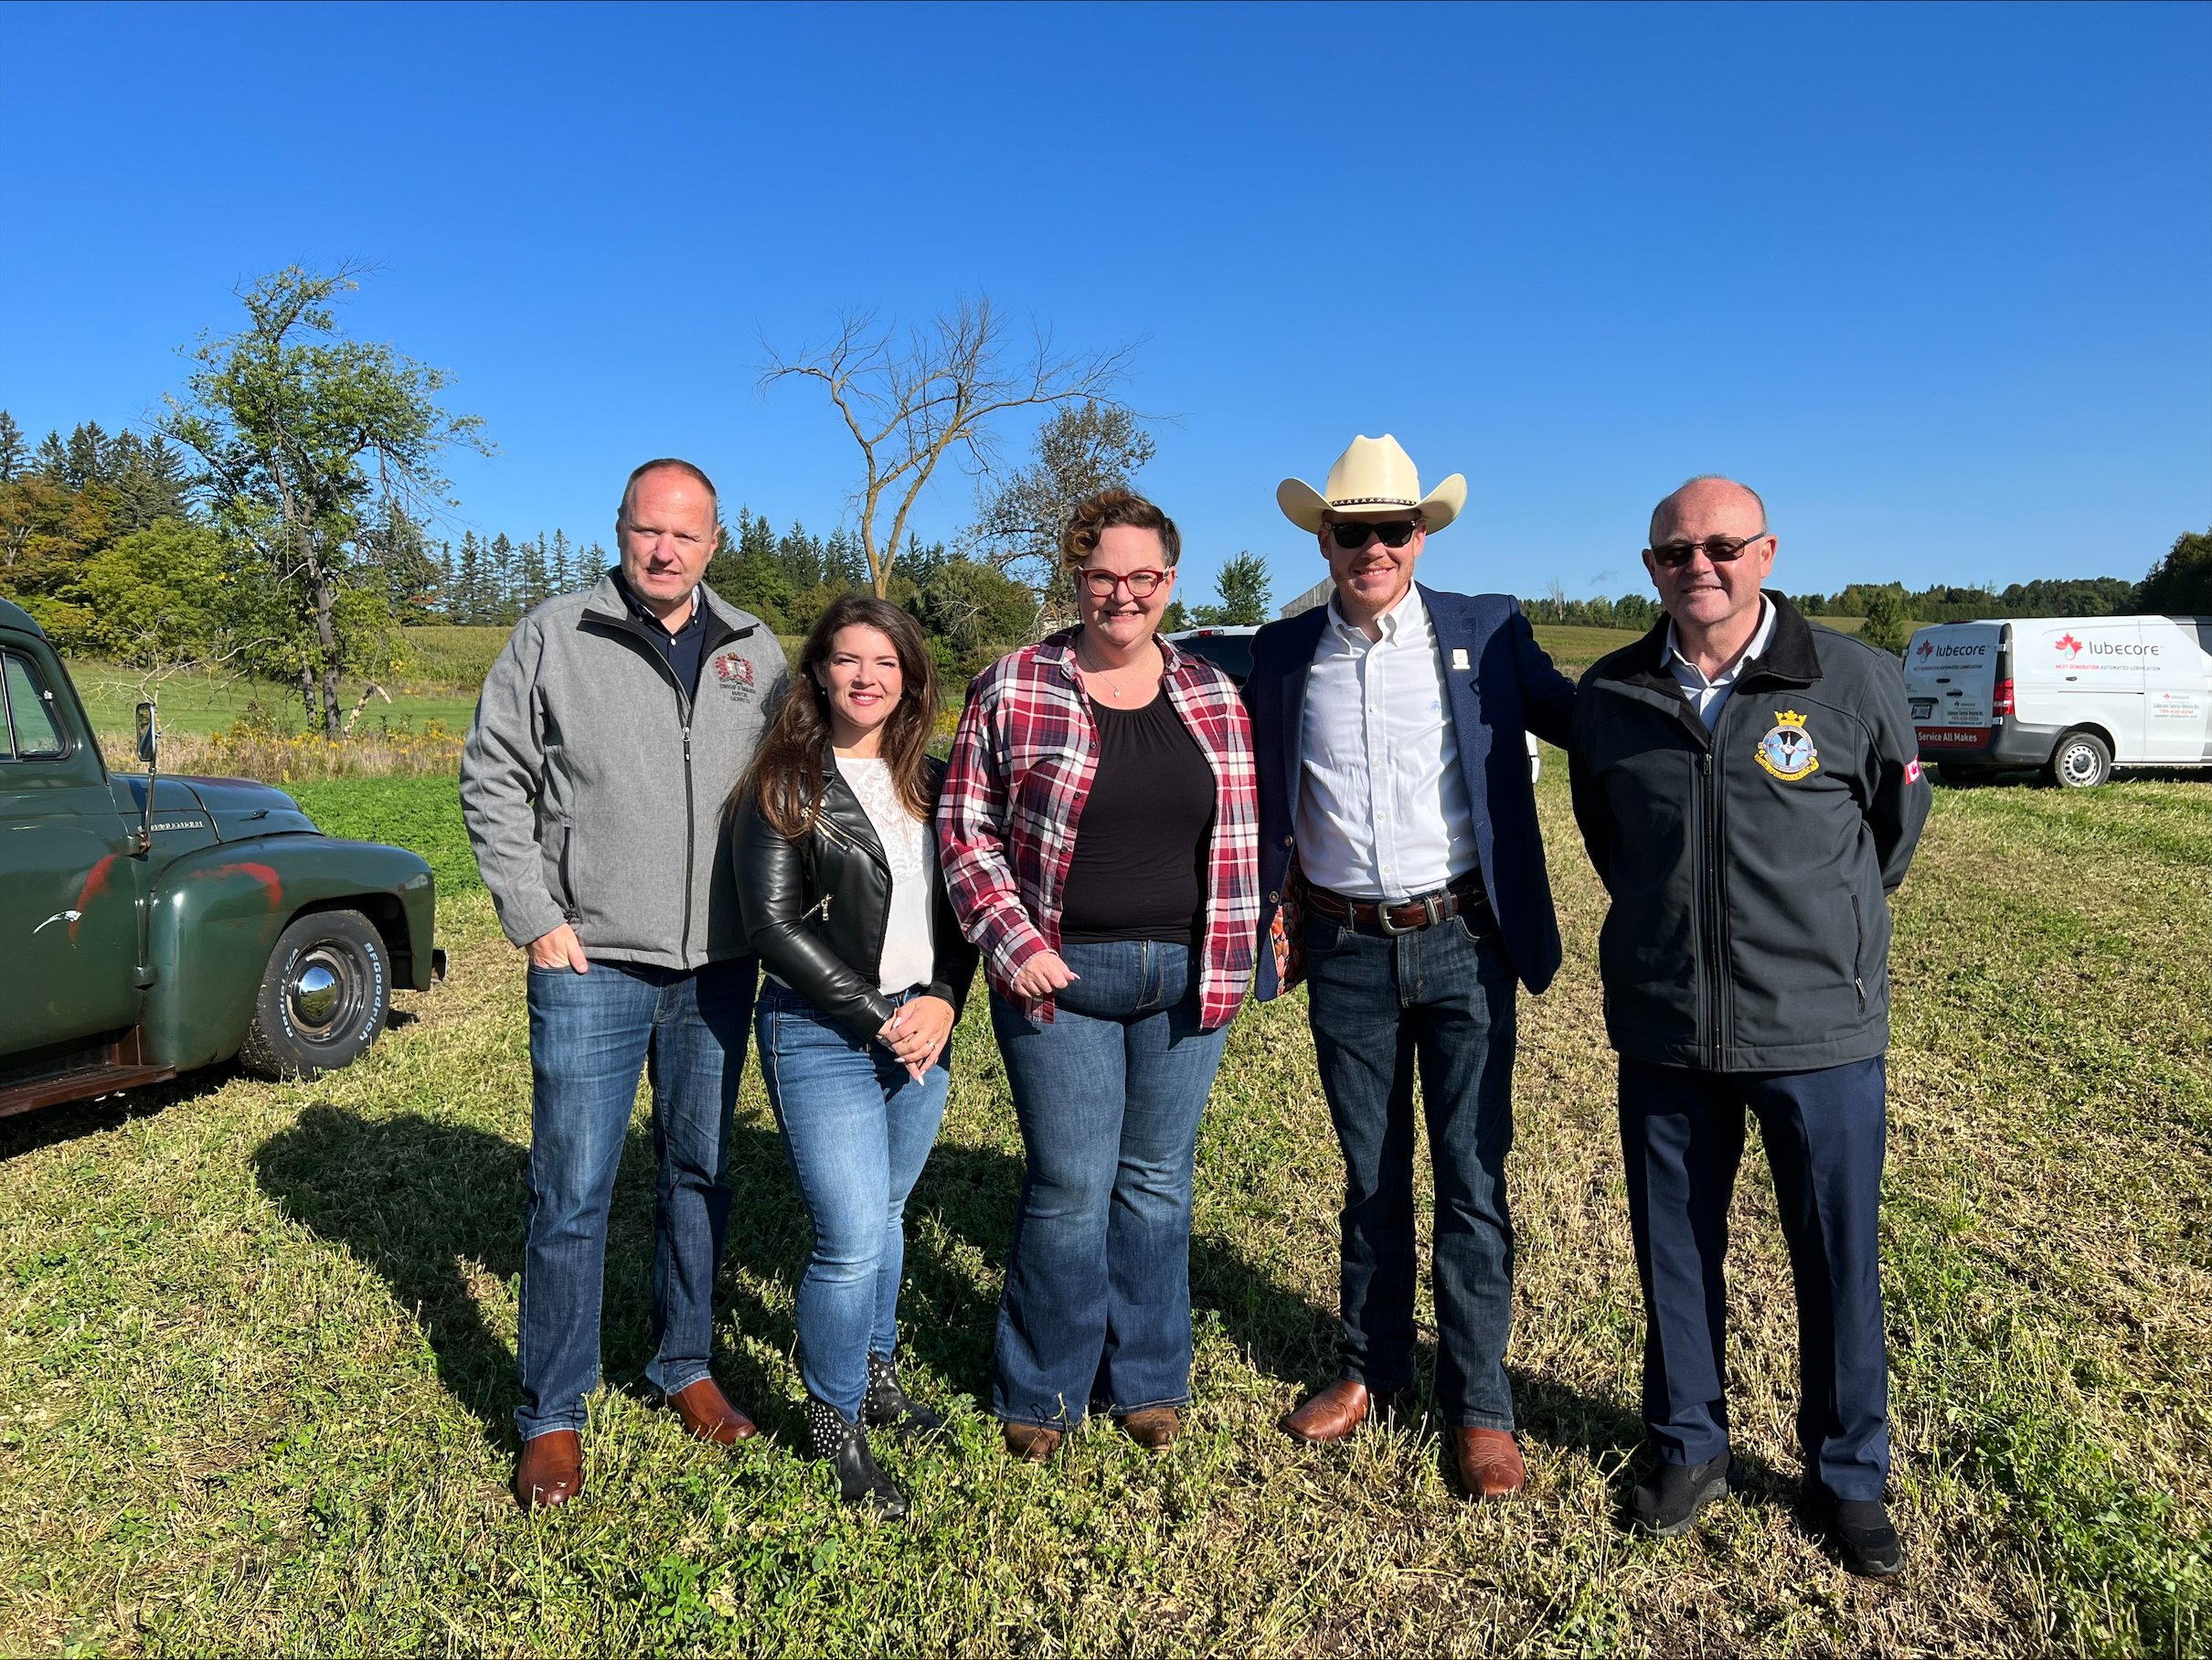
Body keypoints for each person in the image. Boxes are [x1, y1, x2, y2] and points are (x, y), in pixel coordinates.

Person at [1567, 475, 1929, 1576]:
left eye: (1721, 545)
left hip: (1819, 1034)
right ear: (1650, 569)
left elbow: (1890, 830)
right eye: (1674, 552)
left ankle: (1846, 1473)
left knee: (1834, 1259)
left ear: (1766, 551)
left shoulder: (1850, 680)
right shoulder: (1612, 693)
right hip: (1667, 1029)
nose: (1698, 567)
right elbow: (1609, 840)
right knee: (1672, 1252)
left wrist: (1813, 938)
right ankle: (1685, 1446)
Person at [1244, 434, 1576, 1500]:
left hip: (1464, 941)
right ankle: (1369, 1368)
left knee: (1472, 1181)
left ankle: (1479, 1406)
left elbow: (1597, 725)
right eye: (1353, 531)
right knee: (1370, 1174)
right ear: (1325, 539)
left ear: (1421, 535)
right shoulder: (1283, 650)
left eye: (1393, 528)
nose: (1373, 546)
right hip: (1341, 947)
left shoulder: (1489, 630)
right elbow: (1153, 659)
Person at [461, 458, 791, 1510]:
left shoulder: (755, 650)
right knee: (572, 1189)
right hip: (591, 961)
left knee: (699, 1170)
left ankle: (683, 1360)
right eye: (647, 531)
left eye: (684, 536)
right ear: (619, 530)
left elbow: (800, 780)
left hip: (718, 967)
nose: (664, 550)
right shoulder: (555, 635)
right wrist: (533, 914)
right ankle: (552, 1411)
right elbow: (492, 773)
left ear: (713, 542)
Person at [937, 489, 1260, 1461]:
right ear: (1075, 578)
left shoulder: (1211, 692)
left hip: (1188, 976)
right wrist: (1015, 943)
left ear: (1169, 580)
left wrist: (1246, 944)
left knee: (1157, 1182)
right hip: (1058, 975)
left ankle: (1149, 1377)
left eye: (1143, 577)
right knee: (1071, 1183)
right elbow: (965, 831)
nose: (1122, 595)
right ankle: (1042, 1384)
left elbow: (1243, 836)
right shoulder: (1014, 684)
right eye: (1101, 576)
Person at [732, 597, 976, 1519]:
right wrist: (882, 1015)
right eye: (846, 659)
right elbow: (773, 927)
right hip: (822, 1029)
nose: (865, 676)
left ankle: (876, 1371)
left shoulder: (939, 780)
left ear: (910, 677)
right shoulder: (787, 780)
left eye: (885, 661)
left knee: (888, 1211)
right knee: (848, 1238)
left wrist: (945, 1000)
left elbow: (963, 915)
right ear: (820, 672)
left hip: (923, 1030)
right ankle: (836, 1421)